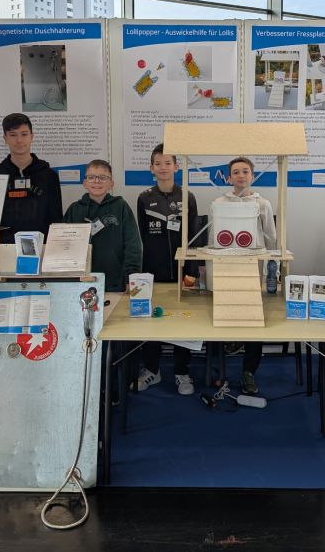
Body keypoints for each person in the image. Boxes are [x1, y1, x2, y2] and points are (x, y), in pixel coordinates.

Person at [135, 144, 200, 396]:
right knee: (152, 319)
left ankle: (182, 372)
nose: (163, 168)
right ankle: (151, 369)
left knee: (183, 320)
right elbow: (143, 236)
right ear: (152, 168)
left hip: (181, 269)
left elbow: (193, 237)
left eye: (168, 163)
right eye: (158, 163)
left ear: (176, 166)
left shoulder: (187, 197)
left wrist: (192, 270)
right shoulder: (144, 198)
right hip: (153, 269)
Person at [212, 157, 276, 395]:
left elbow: (270, 238)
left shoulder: (263, 205)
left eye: (245, 171)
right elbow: (213, 239)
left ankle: (249, 372)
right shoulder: (218, 203)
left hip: (253, 269)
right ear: (229, 178)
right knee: (222, 318)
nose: (240, 175)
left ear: (252, 176)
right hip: (225, 269)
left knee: (253, 323)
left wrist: (272, 269)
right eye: (236, 172)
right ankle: (220, 371)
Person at [64, 159, 142, 293]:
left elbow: (133, 245)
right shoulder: (74, 210)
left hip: (116, 283)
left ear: (111, 184)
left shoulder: (121, 207)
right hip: (81, 283)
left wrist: (131, 278)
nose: (96, 181)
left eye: (102, 178)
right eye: (91, 177)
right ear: (85, 183)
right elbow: (65, 246)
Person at [0, 113, 62, 244]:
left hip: (41, 248)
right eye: (13, 135)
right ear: (5, 138)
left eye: (24, 134)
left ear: (32, 137)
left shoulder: (49, 176)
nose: (19, 140)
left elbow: (56, 219)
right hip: (5, 248)